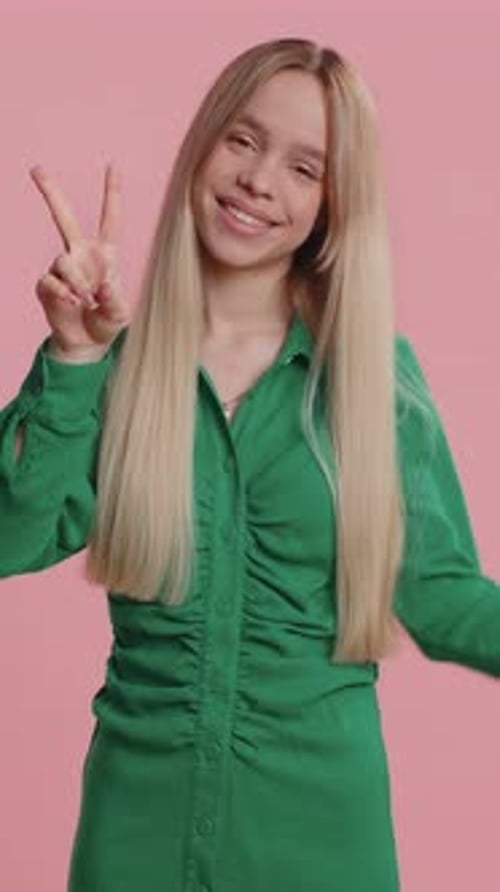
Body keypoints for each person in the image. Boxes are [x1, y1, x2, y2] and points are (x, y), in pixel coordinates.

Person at [0, 36, 498, 892]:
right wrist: (74, 357)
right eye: (243, 140)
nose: (261, 180)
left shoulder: (375, 384)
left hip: (325, 847)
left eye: (307, 168)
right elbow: (10, 536)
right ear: (203, 146)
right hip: (133, 842)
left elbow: (445, 597)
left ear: (335, 207)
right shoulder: (113, 370)